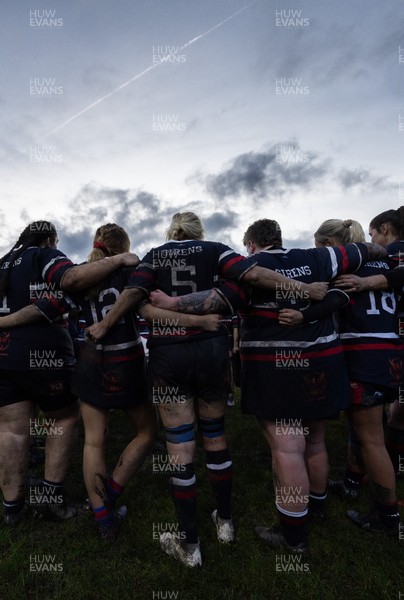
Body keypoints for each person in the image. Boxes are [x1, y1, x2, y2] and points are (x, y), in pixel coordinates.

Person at [86, 212, 328, 566]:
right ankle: (225, 523)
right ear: (199, 231)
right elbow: (255, 275)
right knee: (215, 437)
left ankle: (190, 545)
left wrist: (106, 322)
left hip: (169, 357)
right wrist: (305, 289)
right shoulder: (215, 249)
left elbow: (135, 294)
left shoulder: (156, 254)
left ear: (172, 231)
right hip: (213, 353)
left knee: (180, 445)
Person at [149, 218, 387, 552]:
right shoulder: (319, 258)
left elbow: (215, 300)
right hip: (324, 365)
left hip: (277, 371)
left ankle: (293, 536)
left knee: (289, 448)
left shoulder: (250, 268)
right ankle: (315, 508)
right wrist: (385, 256)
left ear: (250, 244)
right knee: (316, 440)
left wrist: (173, 303)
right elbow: (368, 249)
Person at [0, 220, 139, 526]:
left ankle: (13, 509)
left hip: (4, 356)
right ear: (49, 238)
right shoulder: (43, 254)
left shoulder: (4, 263)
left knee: (11, 429)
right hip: (43, 353)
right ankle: (50, 501)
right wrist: (119, 258)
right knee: (63, 418)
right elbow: (70, 280)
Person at [283, 217, 402, 536]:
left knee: (372, 438)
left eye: (319, 247)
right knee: (364, 429)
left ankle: (387, 518)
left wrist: (302, 314)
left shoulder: (343, 271)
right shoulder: (383, 264)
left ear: (330, 246)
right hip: (387, 355)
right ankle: (351, 481)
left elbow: (334, 302)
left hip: (364, 357)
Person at [334, 209, 404, 481]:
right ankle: (374, 471)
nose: (374, 240)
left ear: (385, 229)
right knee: (387, 414)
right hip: (389, 345)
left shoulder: (393, 252)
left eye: (375, 234)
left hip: (378, 348)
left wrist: (366, 282)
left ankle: (383, 479)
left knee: (373, 423)